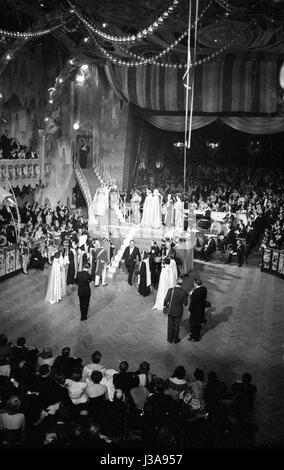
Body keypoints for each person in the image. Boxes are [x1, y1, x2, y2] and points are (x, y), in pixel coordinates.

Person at [164, 278, 188, 344]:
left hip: (171, 310)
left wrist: (165, 305)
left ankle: (169, 339)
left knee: (170, 325)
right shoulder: (184, 292)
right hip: (179, 311)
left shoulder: (170, 290)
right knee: (177, 326)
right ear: (182, 284)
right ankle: (175, 339)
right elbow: (185, 304)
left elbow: (166, 300)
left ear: (176, 282)